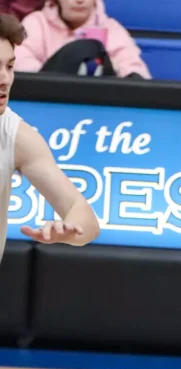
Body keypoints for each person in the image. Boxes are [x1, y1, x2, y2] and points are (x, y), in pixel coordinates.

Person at [0, 14, 99, 251]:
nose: (4, 79)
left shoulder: (16, 135)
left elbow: (86, 219)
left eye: (10, 66)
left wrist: (69, 230)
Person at [14, 0, 150, 79]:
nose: (79, 0)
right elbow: (19, 62)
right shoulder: (36, 22)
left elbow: (137, 72)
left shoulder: (111, 28)